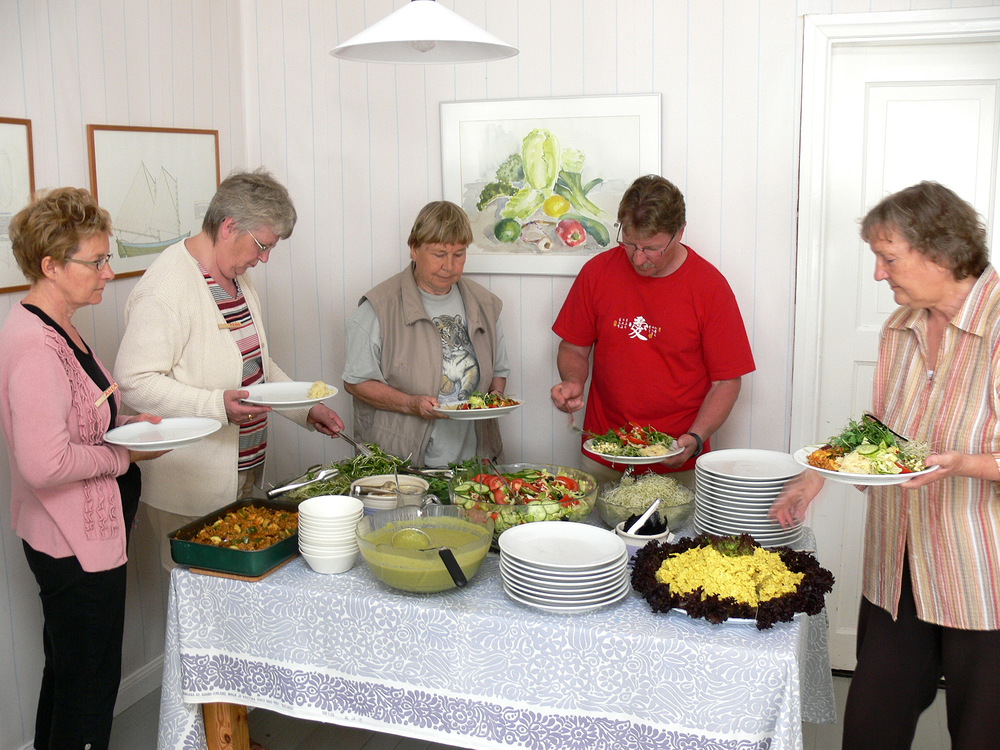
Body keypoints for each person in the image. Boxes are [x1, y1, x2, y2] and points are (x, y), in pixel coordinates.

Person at [771, 181, 1000, 749]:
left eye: (888, 258)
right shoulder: (901, 326)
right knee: (871, 728)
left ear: (942, 253)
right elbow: (883, 427)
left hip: (983, 573)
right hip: (897, 564)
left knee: (982, 734)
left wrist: (965, 464)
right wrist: (818, 471)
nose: (878, 274)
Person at [0, 188, 166, 750]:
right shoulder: (34, 345)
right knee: (88, 688)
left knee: (71, 675)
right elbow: (44, 463)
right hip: (69, 543)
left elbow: (78, 415)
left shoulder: (58, 324)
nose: (108, 273)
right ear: (50, 265)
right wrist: (126, 455)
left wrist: (128, 423)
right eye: (96, 262)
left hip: (79, 536)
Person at [115, 169, 345, 565]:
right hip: (190, 491)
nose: (264, 258)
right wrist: (216, 406)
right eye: (262, 245)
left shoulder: (235, 277)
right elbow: (133, 381)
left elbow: (255, 365)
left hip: (243, 474)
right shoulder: (165, 289)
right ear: (229, 226)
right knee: (202, 598)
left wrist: (306, 408)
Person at [550, 174, 755, 487]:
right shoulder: (597, 272)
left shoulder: (709, 287)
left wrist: (696, 438)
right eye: (630, 244)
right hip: (604, 451)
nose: (638, 258)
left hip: (678, 457)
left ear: (679, 232)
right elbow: (574, 348)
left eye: (652, 248)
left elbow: (726, 381)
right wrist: (573, 381)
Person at [342, 200, 510, 467]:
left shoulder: (485, 304)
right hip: (400, 462)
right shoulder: (379, 307)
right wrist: (411, 404)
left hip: (476, 461)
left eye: (459, 254)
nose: (449, 266)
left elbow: (498, 371)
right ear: (414, 249)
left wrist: (496, 396)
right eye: (439, 254)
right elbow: (356, 382)